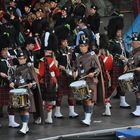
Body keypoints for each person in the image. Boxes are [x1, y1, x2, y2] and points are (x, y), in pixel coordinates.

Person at [72, 36, 100, 125]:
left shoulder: (92, 55)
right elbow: (74, 67)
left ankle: (88, 119)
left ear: (87, 46)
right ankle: (87, 116)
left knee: (89, 99)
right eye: (80, 46)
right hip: (82, 82)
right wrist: (73, 72)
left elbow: (98, 69)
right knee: (84, 100)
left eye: (83, 46)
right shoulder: (78, 56)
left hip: (91, 80)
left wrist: (94, 73)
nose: (81, 47)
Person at [9, 52, 36, 135]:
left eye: (22, 58)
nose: (21, 60)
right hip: (18, 91)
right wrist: (11, 82)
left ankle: (24, 128)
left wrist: (32, 84)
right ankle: (26, 127)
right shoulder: (15, 68)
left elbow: (35, 82)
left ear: (25, 59)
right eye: (19, 59)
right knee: (21, 110)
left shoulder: (30, 68)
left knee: (25, 109)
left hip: (26, 91)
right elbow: (12, 78)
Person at [54, 37, 79, 118]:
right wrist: (60, 66)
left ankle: (71, 112)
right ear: (60, 42)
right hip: (62, 73)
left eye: (66, 41)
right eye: (63, 41)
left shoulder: (70, 50)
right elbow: (55, 62)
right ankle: (57, 112)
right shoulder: (57, 51)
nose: (65, 42)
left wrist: (75, 70)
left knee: (71, 93)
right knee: (60, 93)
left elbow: (74, 61)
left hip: (70, 73)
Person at [0, 34, 20, 128]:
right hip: (1, 84)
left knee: (11, 103)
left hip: (10, 83)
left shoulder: (9, 59)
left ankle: (11, 122)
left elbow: (14, 68)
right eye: (5, 50)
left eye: (7, 50)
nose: (6, 52)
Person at [131, 33, 140, 116]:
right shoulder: (133, 52)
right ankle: (138, 109)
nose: (132, 44)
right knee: (137, 92)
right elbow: (132, 62)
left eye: (134, 43)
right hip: (136, 75)